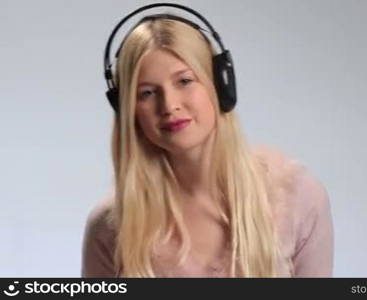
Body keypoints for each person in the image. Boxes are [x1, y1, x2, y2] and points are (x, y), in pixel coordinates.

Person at [81, 4, 334, 278]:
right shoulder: (110, 228)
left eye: (185, 81)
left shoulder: (295, 196)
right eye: (148, 93)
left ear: (220, 84)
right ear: (128, 110)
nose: (169, 105)